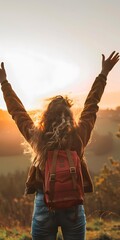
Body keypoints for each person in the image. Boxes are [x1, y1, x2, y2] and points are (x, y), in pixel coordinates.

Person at [0, 51, 119, 240]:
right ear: (70, 116)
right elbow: (91, 105)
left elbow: (17, 112)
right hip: (73, 204)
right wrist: (103, 74)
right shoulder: (78, 136)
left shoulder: (38, 137)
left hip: (44, 202)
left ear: (46, 116)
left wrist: (4, 83)